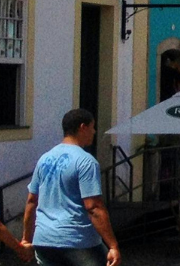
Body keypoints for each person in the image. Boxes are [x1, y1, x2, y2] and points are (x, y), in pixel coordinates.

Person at [24, 109, 120, 266]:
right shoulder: (86, 161)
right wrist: (113, 245)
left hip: (44, 239)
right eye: (92, 127)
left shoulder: (44, 159)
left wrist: (27, 238)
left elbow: (31, 201)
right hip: (77, 239)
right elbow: (93, 207)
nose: (94, 132)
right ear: (83, 127)